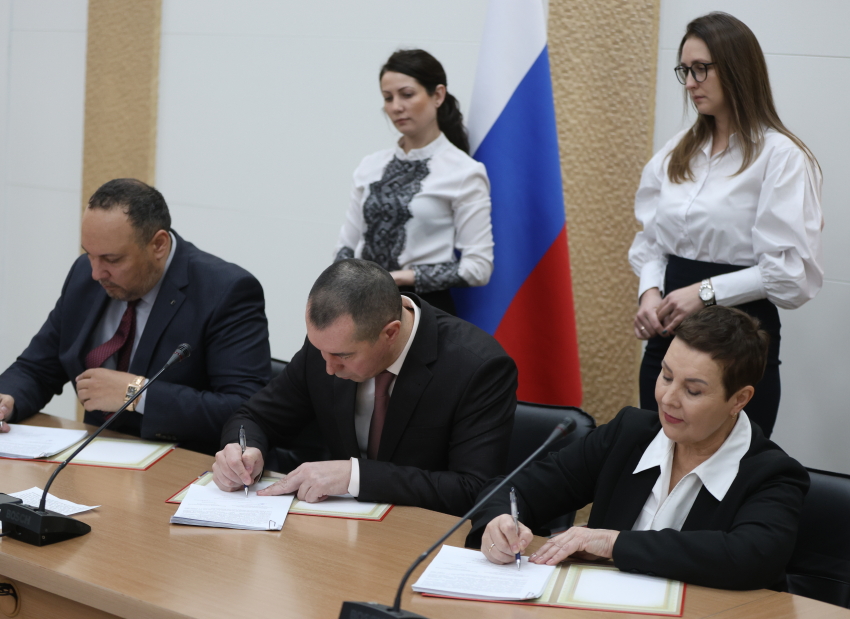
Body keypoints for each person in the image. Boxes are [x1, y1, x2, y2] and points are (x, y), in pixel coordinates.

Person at [469, 306, 809, 591]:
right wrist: (499, 523)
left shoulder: (773, 474)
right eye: (666, 376)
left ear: (739, 399)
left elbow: (749, 557)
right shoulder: (628, 433)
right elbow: (514, 490)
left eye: (693, 391)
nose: (668, 398)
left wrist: (614, 543)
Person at [628, 12, 823, 438]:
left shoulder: (780, 156)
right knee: (658, 459)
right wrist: (649, 293)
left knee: (730, 476)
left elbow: (789, 276)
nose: (690, 83)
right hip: (670, 337)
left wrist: (705, 293)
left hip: (740, 336)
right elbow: (652, 243)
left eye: (701, 69)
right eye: (685, 70)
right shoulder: (677, 149)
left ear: (737, 69)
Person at [212, 258, 517, 516]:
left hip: (418, 536)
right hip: (331, 529)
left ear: (390, 333)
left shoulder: (478, 367)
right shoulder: (329, 346)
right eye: (321, 352)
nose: (329, 367)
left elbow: (474, 489)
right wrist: (243, 451)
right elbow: (256, 417)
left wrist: (355, 476)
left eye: (342, 356)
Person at [0, 179, 271, 455]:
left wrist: (136, 393)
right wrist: (7, 398)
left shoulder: (226, 290)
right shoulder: (86, 275)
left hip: (179, 466)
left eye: (112, 259)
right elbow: (38, 367)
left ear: (158, 245)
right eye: (89, 255)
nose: (96, 273)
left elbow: (245, 411)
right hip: (91, 461)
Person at [334, 49, 494, 316]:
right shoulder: (370, 166)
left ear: (438, 95)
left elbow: (478, 267)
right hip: (361, 306)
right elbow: (346, 246)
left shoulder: (464, 171)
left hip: (422, 311)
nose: (396, 106)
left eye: (407, 95)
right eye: (388, 98)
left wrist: (399, 278)